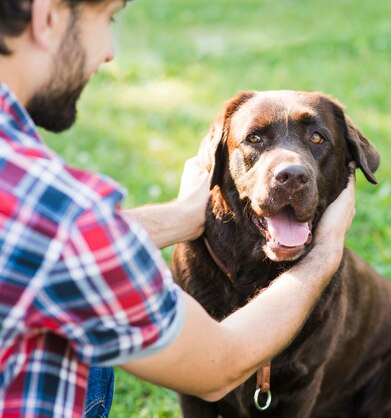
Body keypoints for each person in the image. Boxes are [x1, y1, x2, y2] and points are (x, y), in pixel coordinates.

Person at [0, 0, 356, 417]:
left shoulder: (31, 197)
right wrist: (327, 252)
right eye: (107, 19)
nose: (110, 51)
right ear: (46, 16)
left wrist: (182, 216)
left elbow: (41, 245)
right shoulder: (64, 216)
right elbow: (217, 366)